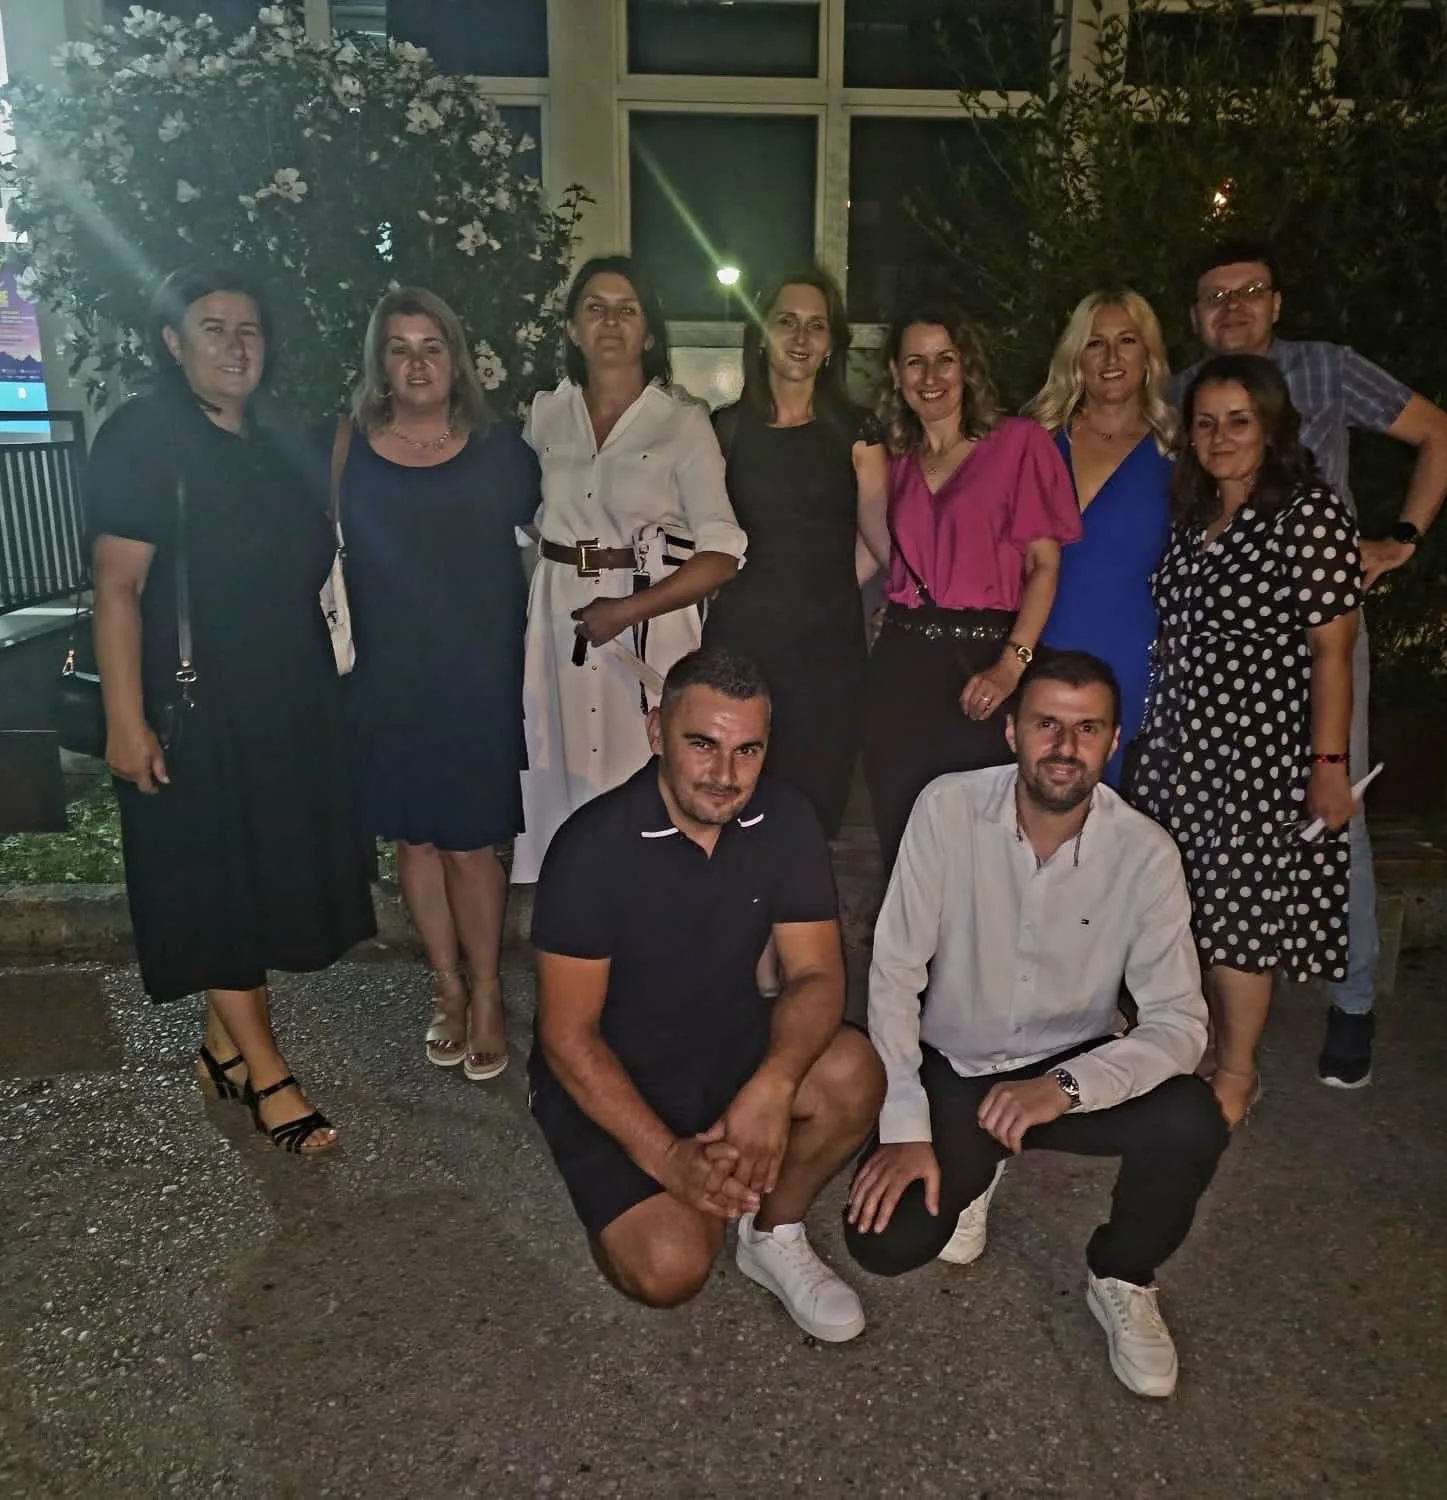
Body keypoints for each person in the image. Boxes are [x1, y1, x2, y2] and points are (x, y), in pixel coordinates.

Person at [844, 650, 1227, 1399]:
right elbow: (893, 973)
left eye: (1088, 729)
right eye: (1047, 723)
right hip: (957, 1068)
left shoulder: (1145, 853)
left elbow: (1180, 1022)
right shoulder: (947, 809)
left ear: (1113, 741)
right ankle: (979, 1163)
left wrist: (1066, 1086)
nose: (1065, 746)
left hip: (1069, 1071)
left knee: (1192, 1119)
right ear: (1012, 730)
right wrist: (905, 1125)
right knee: (885, 1242)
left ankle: (1123, 1274)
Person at [89, 264, 375, 1155]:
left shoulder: (275, 439)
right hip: (193, 702)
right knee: (217, 883)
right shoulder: (145, 437)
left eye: (248, 329)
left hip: (286, 696)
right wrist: (125, 719)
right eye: (212, 328)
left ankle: (221, 1049)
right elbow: (117, 587)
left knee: (263, 879)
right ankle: (269, 1075)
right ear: (172, 343)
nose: (235, 345)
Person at [529, 649, 884, 1339]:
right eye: (703, 745)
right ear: (656, 731)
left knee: (853, 1073)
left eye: (748, 750)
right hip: (614, 1069)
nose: (725, 775)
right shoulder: (590, 848)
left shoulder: (785, 819)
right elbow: (568, 1036)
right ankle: (675, 1193)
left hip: (726, 1040)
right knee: (669, 1268)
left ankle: (772, 1231)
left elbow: (816, 974)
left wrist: (773, 1087)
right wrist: (668, 1159)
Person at [1178, 239, 1447, 1089]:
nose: (1233, 307)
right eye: (1215, 296)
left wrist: (1401, 539)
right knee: (1218, 825)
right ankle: (1208, 1003)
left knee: (1334, 810)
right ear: (1195, 316)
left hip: (1314, 638)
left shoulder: (1329, 370)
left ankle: (1352, 1002)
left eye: (1250, 290)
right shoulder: (1184, 390)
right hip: (1221, 649)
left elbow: (1440, 434)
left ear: (1276, 302)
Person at [1129, 355, 1363, 1128]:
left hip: (1256, 753)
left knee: (1239, 914)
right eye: (1205, 422)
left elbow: (1333, 650)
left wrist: (1329, 766)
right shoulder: (1193, 515)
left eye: (1238, 420)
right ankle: (1192, 1046)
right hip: (1178, 746)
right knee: (1180, 907)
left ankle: (1238, 1068)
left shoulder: (1308, 514)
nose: (1220, 436)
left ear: (1271, 427)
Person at [337, 287, 539, 1082]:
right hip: (387, 678)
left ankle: (487, 994)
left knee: (470, 844)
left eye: (432, 346)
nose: (417, 363)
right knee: (414, 841)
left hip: (476, 675)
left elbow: (544, 550)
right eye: (400, 348)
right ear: (379, 363)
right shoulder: (347, 451)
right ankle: (446, 987)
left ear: (456, 358)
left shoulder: (502, 452)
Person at [511, 256, 747, 885]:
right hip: (560, 621)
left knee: (647, 777)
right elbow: (518, 518)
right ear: (572, 328)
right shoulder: (545, 415)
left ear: (648, 332)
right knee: (562, 780)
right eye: (595, 308)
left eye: (627, 309)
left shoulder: (682, 421)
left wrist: (626, 611)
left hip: (649, 623)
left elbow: (723, 552)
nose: (610, 322)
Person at [860, 304, 1083, 868]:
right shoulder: (898, 462)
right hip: (902, 665)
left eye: (945, 359)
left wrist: (1012, 664)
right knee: (903, 837)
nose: (931, 377)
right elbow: (884, 559)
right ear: (896, 374)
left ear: (967, 368)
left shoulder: (1018, 444)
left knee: (986, 845)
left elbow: (1045, 565)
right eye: (915, 362)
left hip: (985, 663)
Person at [701, 267, 883, 841]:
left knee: (809, 810)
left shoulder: (857, 430)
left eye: (816, 325)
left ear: (832, 344)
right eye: (786, 321)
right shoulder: (725, 428)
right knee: (732, 800)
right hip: (741, 640)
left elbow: (879, 534)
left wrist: (834, 587)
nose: (801, 337)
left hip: (825, 650)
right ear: (762, 334)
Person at [1027, 289, 1179, 784]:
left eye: (1127, 341)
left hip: (1131, 661)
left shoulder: (1180, 452)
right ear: (1076, 357)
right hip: (1034, 655)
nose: (1112, 357)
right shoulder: (1035, 443)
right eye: (1095, 343)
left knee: (1114, 812)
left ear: (1148, 355)